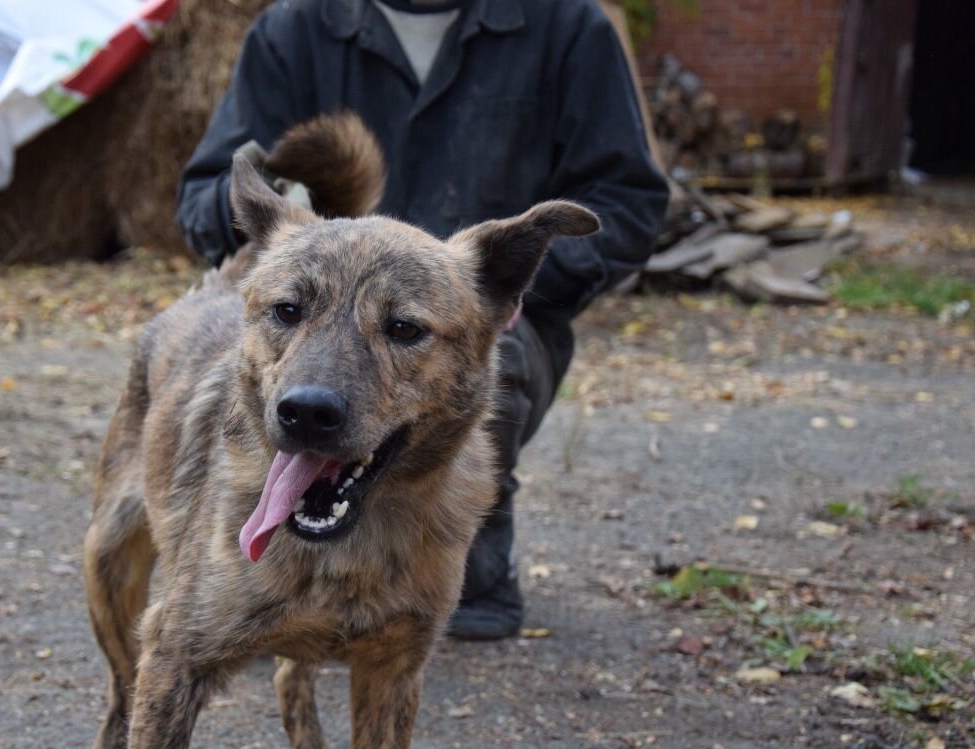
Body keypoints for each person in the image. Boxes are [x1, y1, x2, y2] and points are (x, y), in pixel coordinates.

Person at [176, 0, 669, 639]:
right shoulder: (294, 29)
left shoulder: (568, 28)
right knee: (275, 372)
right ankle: (271, 563)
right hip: (321, 307)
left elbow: (629, 204)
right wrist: (285, 214)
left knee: (483, 361)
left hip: (491, 319)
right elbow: (205, 196)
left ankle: (469, 553)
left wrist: (499, 289)